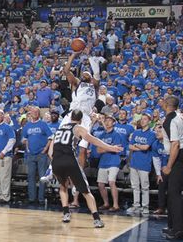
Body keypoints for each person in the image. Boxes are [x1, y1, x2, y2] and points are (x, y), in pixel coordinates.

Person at [49, 110, 123, 228]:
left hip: (56, 161)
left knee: (63, 187)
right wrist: (110, 147)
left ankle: (66, 214)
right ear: (81, 119)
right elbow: (93, 140)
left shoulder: (59, 129)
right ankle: (97, 219)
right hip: (70, 160)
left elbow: (50, 151)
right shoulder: (78, 128)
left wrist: (55, 162)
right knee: (86, 191)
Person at [42, 51, 99, 182]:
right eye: (83, 73)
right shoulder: (76, 83)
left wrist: (92, 60)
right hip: (72, 112)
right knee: (59, 142)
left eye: (87, 74)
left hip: (85, 116)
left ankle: (80, 177)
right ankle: (51, 170)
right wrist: (73, 55)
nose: (85, 74)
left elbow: (96, 76)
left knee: (83, 148)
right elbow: (67, 70)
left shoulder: (94, 86)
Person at [161, 96, 183, 240]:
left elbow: (175, 144)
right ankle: (172, 225)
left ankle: (178, 229)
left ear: (167, 104)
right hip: (179, 156)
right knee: (172, 193)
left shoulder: (171, 120)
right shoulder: (179, 116)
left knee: (174, 194)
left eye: (163, 101)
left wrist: (169, 166)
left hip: (178, 157)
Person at [22, 106, 52, 204]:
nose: (35, 113)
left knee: (42, 177)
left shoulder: (43, 124)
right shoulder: (27, 125)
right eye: (33, 112)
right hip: (31, 155)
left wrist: (45, 149)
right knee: (31, 176)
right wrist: (27, 147)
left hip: (41, 155)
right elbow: (24, 139)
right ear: (30, 113)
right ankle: (32, 198)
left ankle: (41, 199)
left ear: (39, 114)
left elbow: (51, 137)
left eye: (36, 112)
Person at [127, 113, 155, 215]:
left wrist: (136, 145)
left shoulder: (152, 133)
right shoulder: (136, 132)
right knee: (135, 186)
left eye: (145, 119)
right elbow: (130, 147)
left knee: (144, 187)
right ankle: (136, 205)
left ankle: (145, 206)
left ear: (149, 121)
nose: (142, 121)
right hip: (134, 163)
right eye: (141, 119)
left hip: (144, 163)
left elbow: (146, 147)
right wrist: (139, 146)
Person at [96, 115, 123, 212]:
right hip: (103, 162)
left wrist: (106, 148)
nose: (107, 122)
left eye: (110, 120)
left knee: (112, 182)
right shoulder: (101, 135)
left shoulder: (117, 134)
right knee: (100, 184)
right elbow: (98, 150)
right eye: (106, 120)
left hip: (114, 162)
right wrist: (110, 147)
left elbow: (117, 149)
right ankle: (106, 203)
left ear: (114, 123)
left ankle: (116, 205)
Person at [151, 124, 168, 215]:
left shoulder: (170, 142)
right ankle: (161, 207)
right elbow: (156, 160)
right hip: (163, 170)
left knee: (173, 190)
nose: (157, 133)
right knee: (161, 187)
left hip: (174, 169)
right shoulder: (155, 144)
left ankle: (172, 208)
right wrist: (158, 174)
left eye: (159, 131)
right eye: (156, 131)